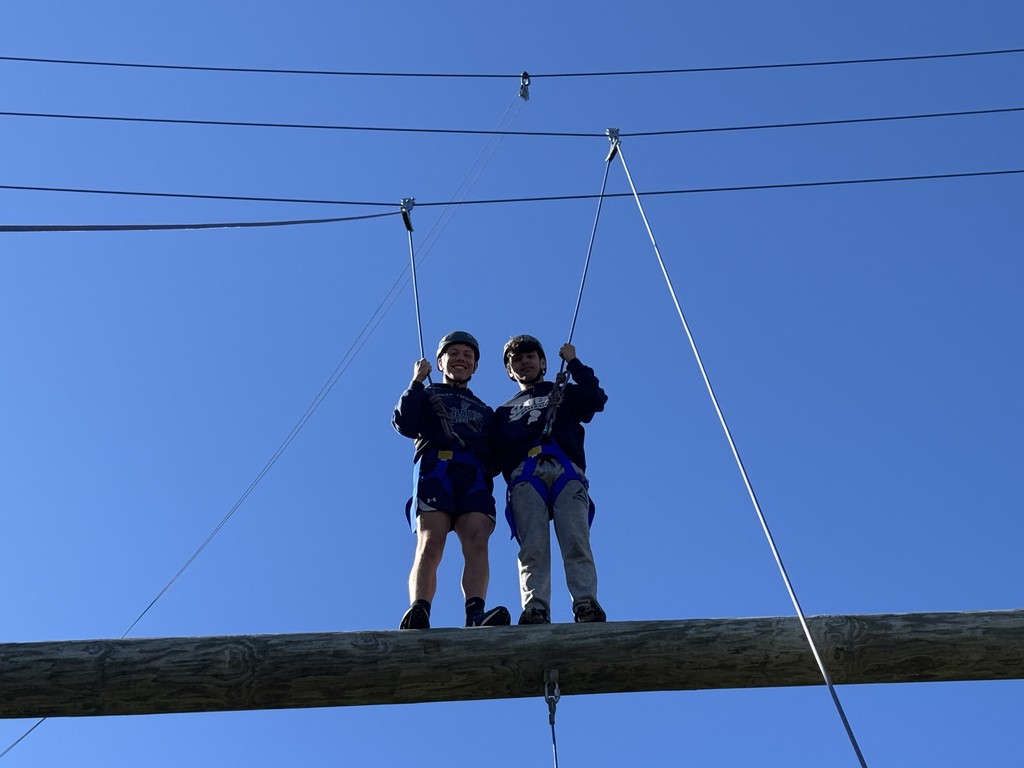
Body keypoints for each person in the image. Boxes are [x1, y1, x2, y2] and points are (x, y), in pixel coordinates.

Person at [392, 331, 510, 630]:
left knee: (478, 541)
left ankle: (475, 614)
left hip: (474, 473)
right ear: (440, 362)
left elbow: (498, 451)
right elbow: (405, 423)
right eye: (454, 354)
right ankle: (420, 608)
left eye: (468, 356)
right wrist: (417, 381)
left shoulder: (485, 410)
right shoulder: (428, 395)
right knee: (431, 540)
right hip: (437, 468)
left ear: (475, 366)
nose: (461, 359)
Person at [491, 334, 608, 624]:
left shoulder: (563, 391)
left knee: (576, 540)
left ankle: (585, 603)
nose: (524, 362)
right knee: (532, 547)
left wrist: (573, 362)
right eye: (516, 360)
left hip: (565, 468)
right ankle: (536, 608)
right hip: (525, 475)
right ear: (509, 370)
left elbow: (595, 398)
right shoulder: (503, 412)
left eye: (530, 357)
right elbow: (490, 455)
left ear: (543, 362)